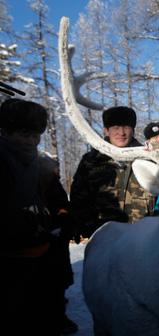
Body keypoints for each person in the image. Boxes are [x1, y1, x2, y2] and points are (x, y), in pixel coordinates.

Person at [0, 98, 77, 334]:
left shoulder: (43, 167)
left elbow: (59, 202)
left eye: (36, 135)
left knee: (48, 297)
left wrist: (64, 218)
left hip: (45, 250)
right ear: (5, 131)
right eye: (24, 134)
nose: (31, 141)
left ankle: (55, 317)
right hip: (9, 257)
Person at [70, 106, 156, 238]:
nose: (121, 133)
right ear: (106, 130)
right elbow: (78, 199)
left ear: (133, 130)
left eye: (126, 127)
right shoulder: (91, 161)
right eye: (115, 127)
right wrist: (84, 228)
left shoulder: (149, 159)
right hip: (102, 238)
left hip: (142, 238)